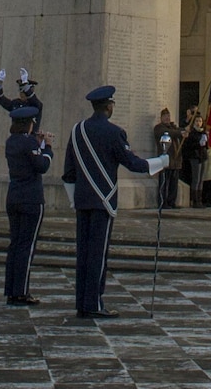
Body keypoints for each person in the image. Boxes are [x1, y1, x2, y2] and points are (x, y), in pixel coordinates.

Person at [60, 84, 161, 319]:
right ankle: (94, 303)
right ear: (109, 106)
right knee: (98, 253)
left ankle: (82, 303)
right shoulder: (114, 132)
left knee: (83, 253)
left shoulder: (77, 131)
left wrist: (75, 200)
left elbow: (68, 171)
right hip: (103, 202)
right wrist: (161, 162)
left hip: (83, 201)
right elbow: (133, 163)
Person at [2, 103, 50, 306]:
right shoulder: (28, 142)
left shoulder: (11, 141)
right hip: (31, 198)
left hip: (14, 196)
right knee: (26, 246)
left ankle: (12, 290)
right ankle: (21, 291)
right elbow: (42, 166)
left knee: (15, 244)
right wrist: (47, 148)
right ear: (29, 124)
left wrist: (37, 145)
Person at [150, 109, 178, 209]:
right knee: (164, 182)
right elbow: (169, 133)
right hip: (164, 159)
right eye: (165, 116)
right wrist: (179, 132)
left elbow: (176, 132)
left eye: (168, 116)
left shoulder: (174, 128)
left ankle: (171, 201)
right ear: (161, 118)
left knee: (173, 183)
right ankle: (163, 202)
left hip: (174, 159)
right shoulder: (159, 128)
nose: (167, 118)